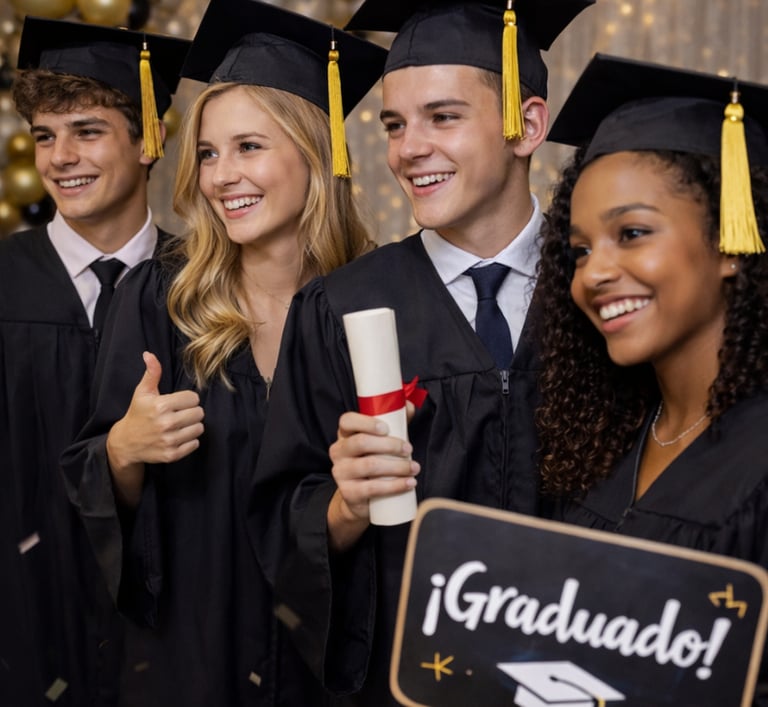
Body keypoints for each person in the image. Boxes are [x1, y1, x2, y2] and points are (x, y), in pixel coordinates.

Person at [248, 1, 596, 704]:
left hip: (584, 669)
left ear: (527, 125)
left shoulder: (603, 293)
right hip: (412, 682)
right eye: (395, 125)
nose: (408, 149)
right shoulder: (340, 307)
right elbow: (282, 514)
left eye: (443, 117)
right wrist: (345, 504)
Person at [60, 0, 387, 704]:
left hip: (330, 666)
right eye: (208, 153)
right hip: (190, 662)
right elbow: (87, 486)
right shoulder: (161, 298)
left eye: (249, 147)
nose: (219, 175)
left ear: (316, 149)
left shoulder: (379, 301)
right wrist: (123, 447)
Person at [536, 53, 768, 702]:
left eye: (631, 232)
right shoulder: (601, 440)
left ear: (730, 240)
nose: (594, 273)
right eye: (579, 249)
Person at [0, 18, 189, 706]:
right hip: (22, 628)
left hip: (174, 637)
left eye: (86, 130)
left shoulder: (204, 288)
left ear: (149, 139)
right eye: (45, 136)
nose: (59, 157)